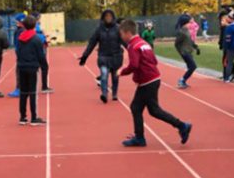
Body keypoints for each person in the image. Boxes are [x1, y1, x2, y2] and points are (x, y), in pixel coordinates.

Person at [118, 19, 191, 147]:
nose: (121, 37)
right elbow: (154, 61)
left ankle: (181, 126)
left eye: (122, 34)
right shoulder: (143, 43)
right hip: (153, 79)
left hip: (148, 81)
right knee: (145, 109)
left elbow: (134, 65)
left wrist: (122, 72)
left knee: (144, 109)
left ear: (127, 33)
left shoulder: (132, 46)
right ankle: (141, 136)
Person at [79, 8, 124, 103]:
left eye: (110, 16)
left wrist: (135, 51)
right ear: (103, 18)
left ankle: (114, 93)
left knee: (115, 77)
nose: (108, 18)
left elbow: (125, 42)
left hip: (116, 56)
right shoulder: (99, 29)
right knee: (104, 75)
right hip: (103, 57)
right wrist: (85, 56)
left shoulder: (118, 28)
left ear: (113, 17)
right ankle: (104, 94)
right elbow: (92, 43)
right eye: (106, 16)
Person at [15, 14, 47, 126]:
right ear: (34, 25)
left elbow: (18, 52)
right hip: (32, 67)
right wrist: (44, 66)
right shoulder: (36, 39)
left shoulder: (20, 38)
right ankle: (34, 117)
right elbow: (41, 55)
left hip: (21, 67)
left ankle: (22, 117)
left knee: (23, 93)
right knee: (33, 92)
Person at [174, 14, 199, 89]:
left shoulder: (186, 30)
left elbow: (190, 40)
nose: (190, 25)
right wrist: (181, 52)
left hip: (189, 51)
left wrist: (196, 47)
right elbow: (176, 44)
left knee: (191, 67)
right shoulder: (181, 32)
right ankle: (182, 80)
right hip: (185, 52)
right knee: (193, 66)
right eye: (188, 23)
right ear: (184, 24)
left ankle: (183, 81)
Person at [33, 12, 52, 93]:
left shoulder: (36, 27)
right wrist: (44, 38)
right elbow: (38, 37)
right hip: (39, 50)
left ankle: (38, 86)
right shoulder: (35, 27)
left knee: (37, 68)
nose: (40, 19)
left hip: (38, 49)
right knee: (43, 67)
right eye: (39, 17)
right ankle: (44, 87)